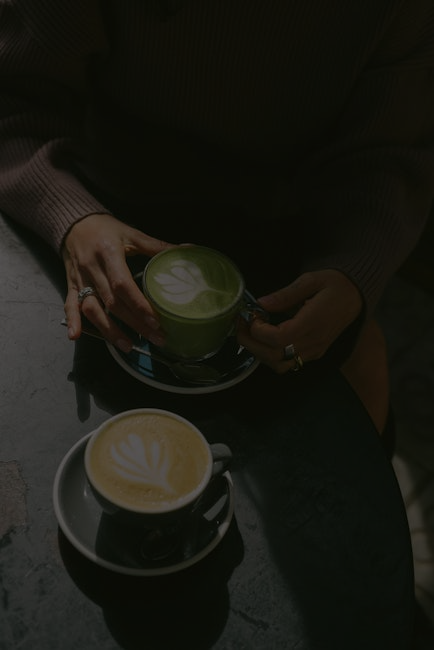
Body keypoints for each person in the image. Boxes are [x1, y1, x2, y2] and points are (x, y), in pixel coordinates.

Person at [1, 0, 434, 437]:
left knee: (363, 366)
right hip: (104, 209)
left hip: (291, 232)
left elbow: (386, 157)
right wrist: (72, 217)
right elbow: (15, 99)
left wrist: (354, 271)